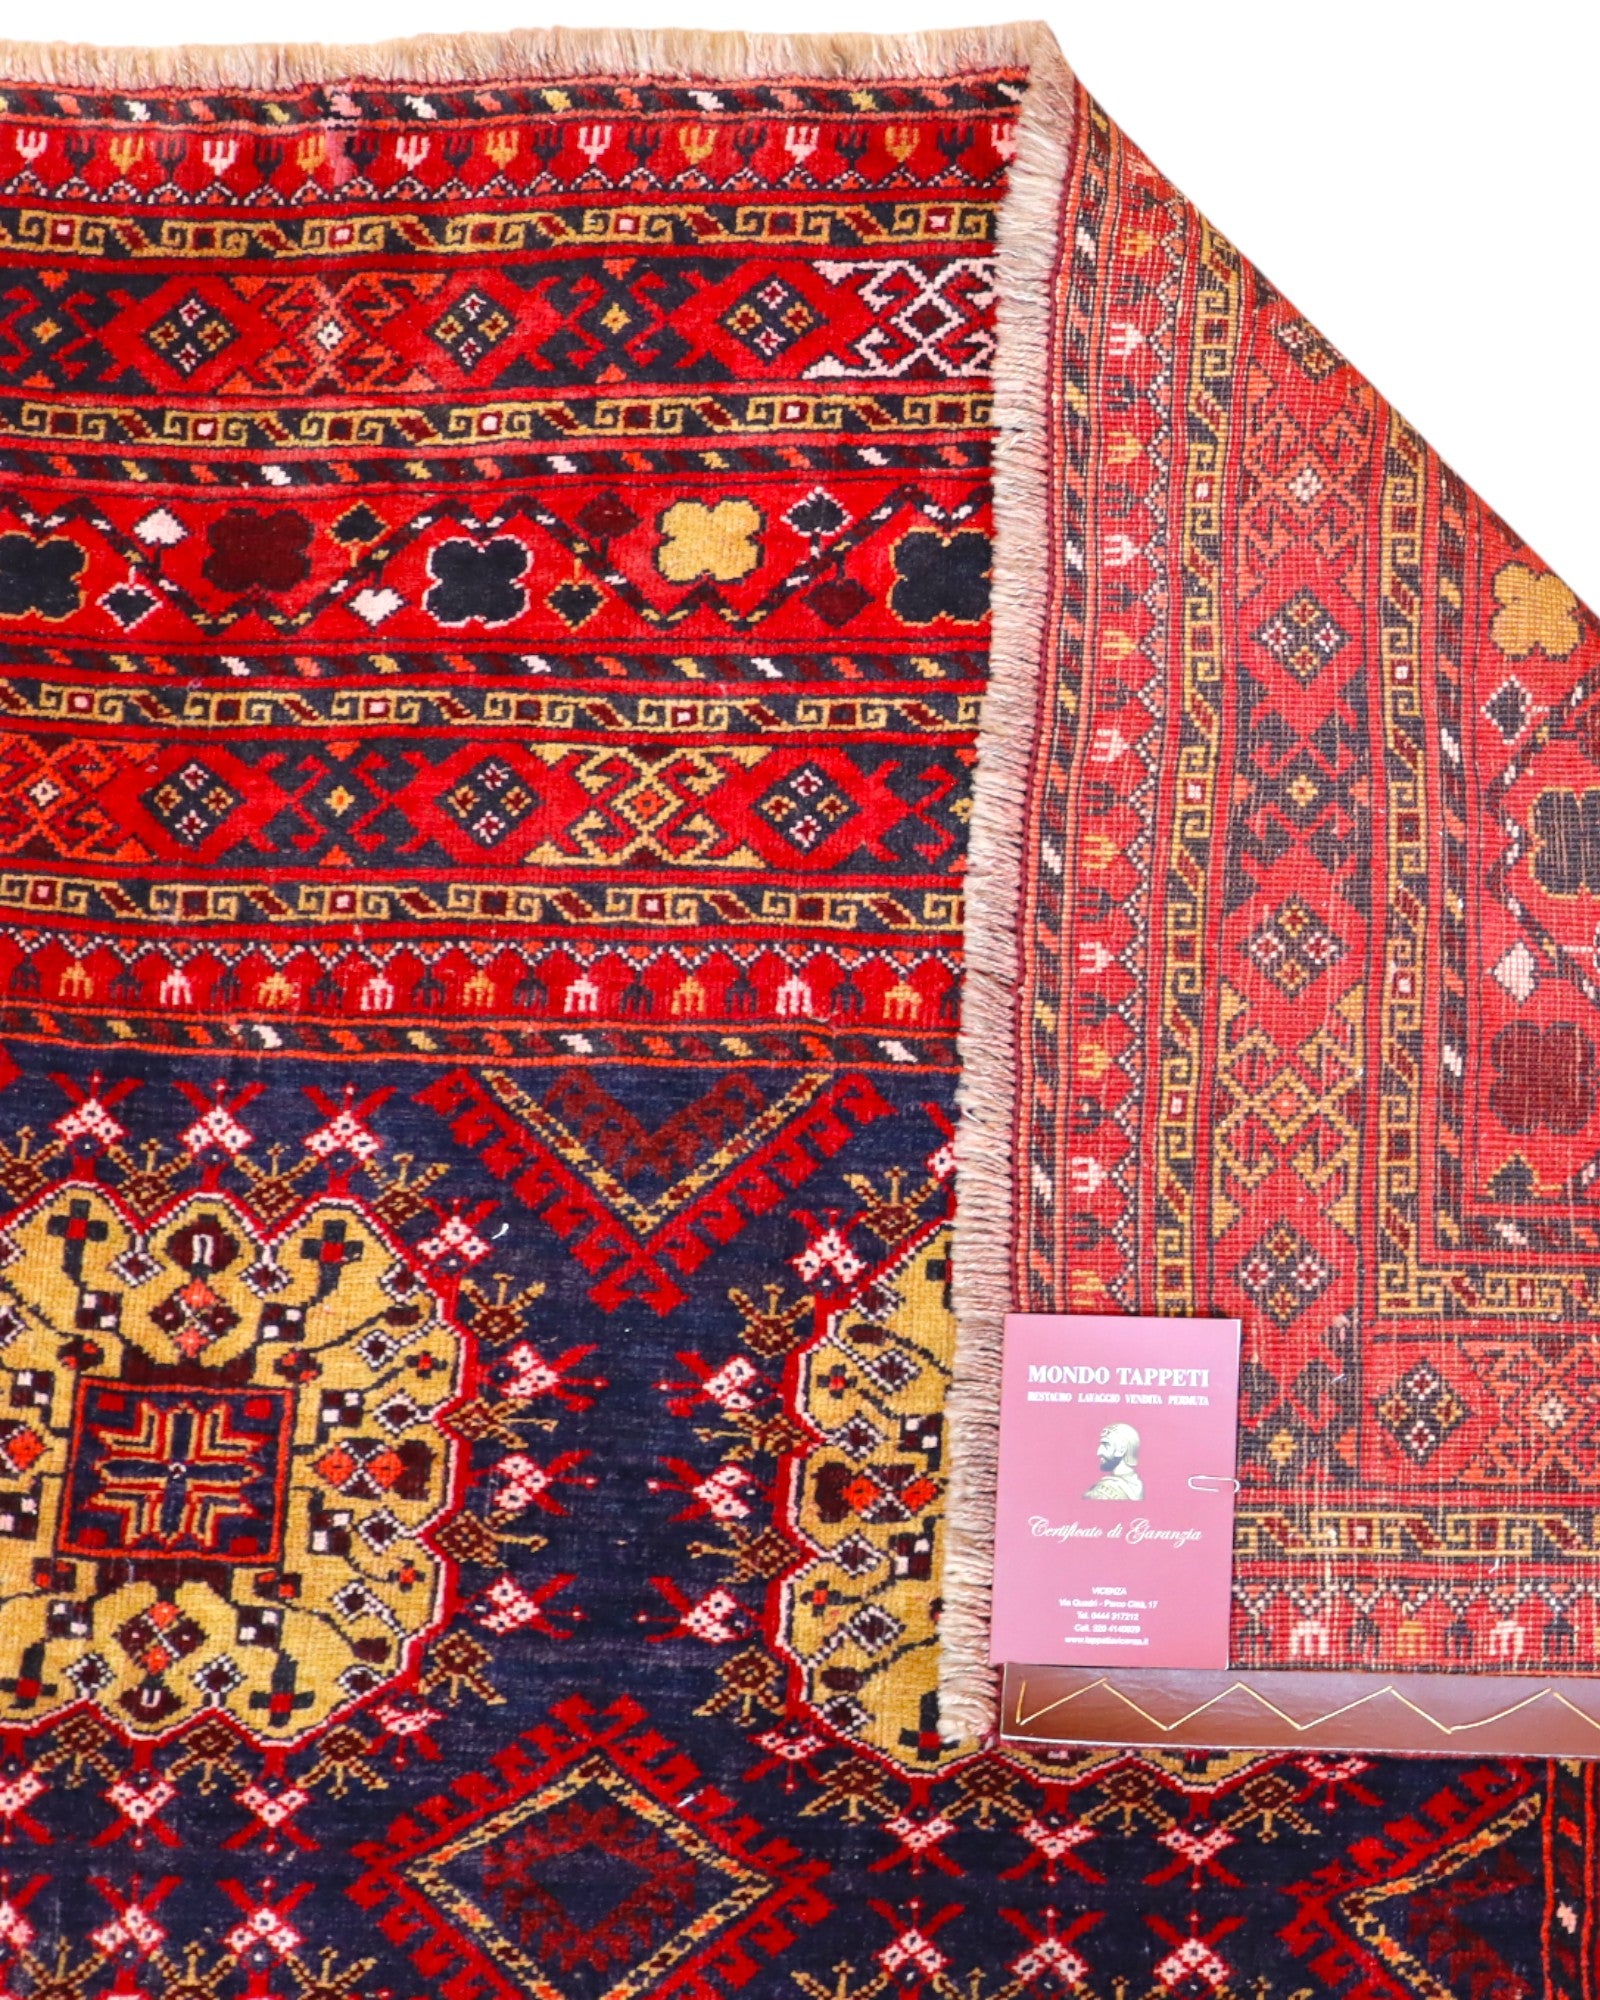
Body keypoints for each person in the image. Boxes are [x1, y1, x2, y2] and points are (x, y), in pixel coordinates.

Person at [1084, 1421, 1143, 1501]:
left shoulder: (1100, 1493)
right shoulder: (1137, 1484)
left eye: (1106, 1445)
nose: (1098, 1452)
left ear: (1121, 1450)